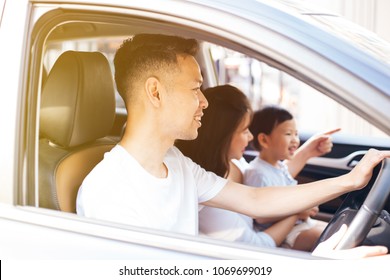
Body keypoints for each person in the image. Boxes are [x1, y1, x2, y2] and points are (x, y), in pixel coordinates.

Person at [76, 33, 390, 258]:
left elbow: (255, 199)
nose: (203, 102)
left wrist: (351, 180)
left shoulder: (175, 163)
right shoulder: (108, 192)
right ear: (155, 92)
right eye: (196, 89)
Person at [176, 85, 306, 248]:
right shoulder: (208, 197)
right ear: (223, 135)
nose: (250, 137)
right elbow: (256, 246)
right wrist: (296, 213)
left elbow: (271, 178)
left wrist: (307, 153)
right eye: (245, 131)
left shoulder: (234, 162)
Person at [244, 106, 329, 251]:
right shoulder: (258, 173)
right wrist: (298, 210)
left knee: (335, 228)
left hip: (298, 224)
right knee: (325, 237)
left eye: (296, 134)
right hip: (283, 233)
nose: (295, 140)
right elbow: (260, 216)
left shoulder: (279, 166)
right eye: (288, 134)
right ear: (264, 140)